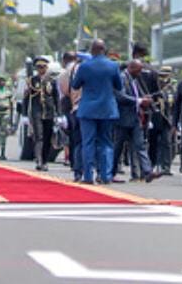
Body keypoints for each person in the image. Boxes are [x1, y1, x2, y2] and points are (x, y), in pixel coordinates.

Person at [70, 39, 122, 184]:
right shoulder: (113, 66)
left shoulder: (84, 66)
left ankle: (88, 176)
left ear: (92, 50)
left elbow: (75, 85)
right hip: (107, 109)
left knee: (88, 143)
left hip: (87, 109)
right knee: (106, 142)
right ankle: (105, 175)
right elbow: (119, 86)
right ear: (104, 50)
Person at [112, 60, 158, 183]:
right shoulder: (121, 78)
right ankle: (110, 172)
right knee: (117, 147)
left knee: (140, 145)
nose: (140, 73)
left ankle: (147, 171)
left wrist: (146, 99)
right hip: (122, 118)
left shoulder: (134, 79)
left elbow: (140, 94)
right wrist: (138, 101)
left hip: (135, 118)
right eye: (138, 70)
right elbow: (119, 96)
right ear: (131, 68)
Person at [23, 57, 59, 171]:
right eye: (38, 67)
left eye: (43, 67)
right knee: (39, 136)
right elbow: (26, 98)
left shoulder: (52, 81)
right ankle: (38, 160)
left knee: (48, 137)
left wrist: (60, 113)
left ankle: (44, 160)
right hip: (36, 111)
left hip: (48, 112)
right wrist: (24, 114)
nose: (41, 69)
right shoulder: (32, 80)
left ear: (46, 68)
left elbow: (56, 98)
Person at [58, 51, 86, 182]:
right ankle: (86, 167)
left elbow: (62, 95)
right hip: (85, 106)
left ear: (64, 61)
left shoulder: (62, 75)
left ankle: (76, 167)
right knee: (87, 139)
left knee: (75, 139)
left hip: (71, 107)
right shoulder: (83, 69)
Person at [149, 66, 175, 176]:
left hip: (167, 118)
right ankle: (152, 164)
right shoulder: (154, 86)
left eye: (165, 74)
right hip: (155, 117)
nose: (163, 77)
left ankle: (166, 166)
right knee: (153, 142)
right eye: (161, 75)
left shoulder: (172, 87)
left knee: (167, 142)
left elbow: (174, 102)